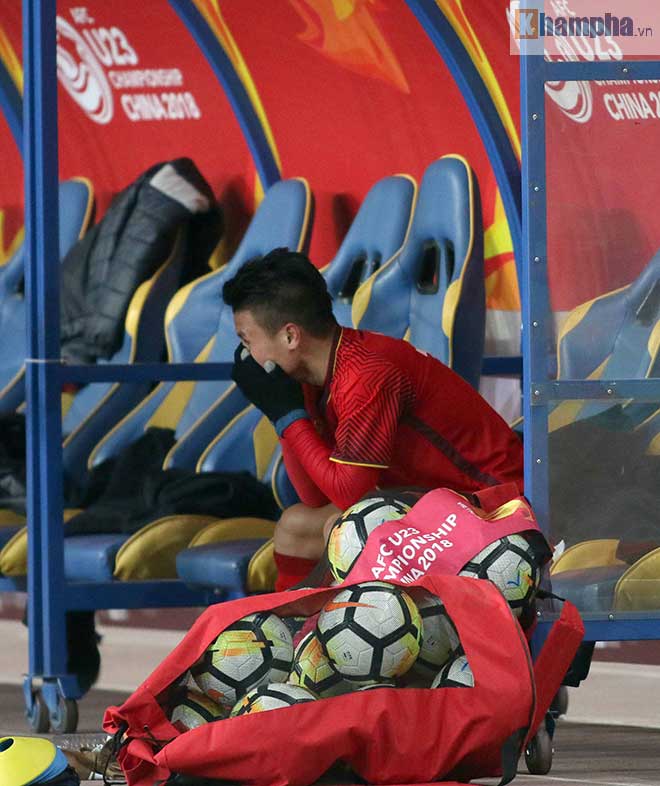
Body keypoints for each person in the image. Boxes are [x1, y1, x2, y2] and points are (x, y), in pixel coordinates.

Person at [224, 248, 524, 591]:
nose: (247, 356)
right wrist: (283, 414)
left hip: (497, 506)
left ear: (290, 336)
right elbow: (313, 496)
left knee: (344, 529)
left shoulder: (366, 375)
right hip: (439, 504)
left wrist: (288, 417)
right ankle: (295, 622)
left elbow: (350, 497)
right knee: (296, 525)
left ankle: (351, 624)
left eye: (247, 341)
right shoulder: (316, 378)